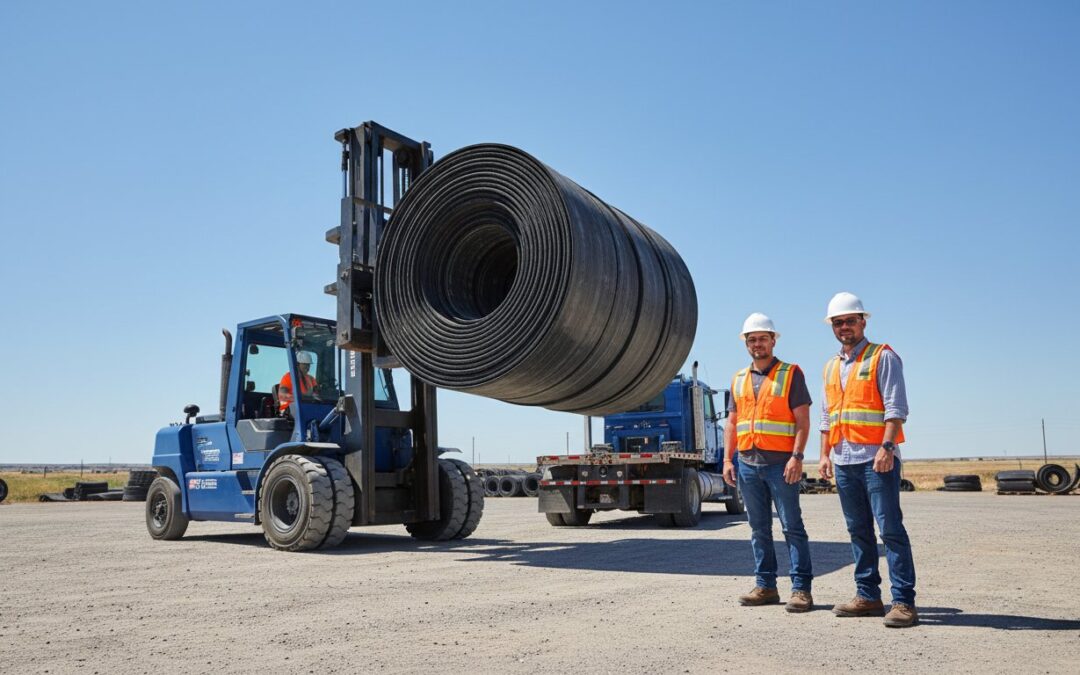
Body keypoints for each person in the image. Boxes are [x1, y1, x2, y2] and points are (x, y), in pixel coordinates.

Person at [818, 292, 917, 628]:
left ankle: (903, 601)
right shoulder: (831, 366)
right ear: (832, 327)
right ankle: (868, 596)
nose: (844, 327)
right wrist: (824, 455)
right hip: (844, 460)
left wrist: (887, 449)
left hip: (877, 460)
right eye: (838, 322)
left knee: (890, 529)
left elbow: (896, 407)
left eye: (850, 320)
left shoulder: (882, 357)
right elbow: (827, 416)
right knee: (858, 530)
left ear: (863, 321)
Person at [723, 313, 814, 613]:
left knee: (792, 527)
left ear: (773, 340)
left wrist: (797, 457)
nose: (757, 344)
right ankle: (765, 586)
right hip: (748, 464)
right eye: (752, 340)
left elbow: (802, 420)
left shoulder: (791, 374)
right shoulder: (738, 379)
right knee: (758, 528)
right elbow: (732, 423)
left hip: (781, 465)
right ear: (746, 344)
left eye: (763, 338)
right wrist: (728, 459)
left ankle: (801, 590)